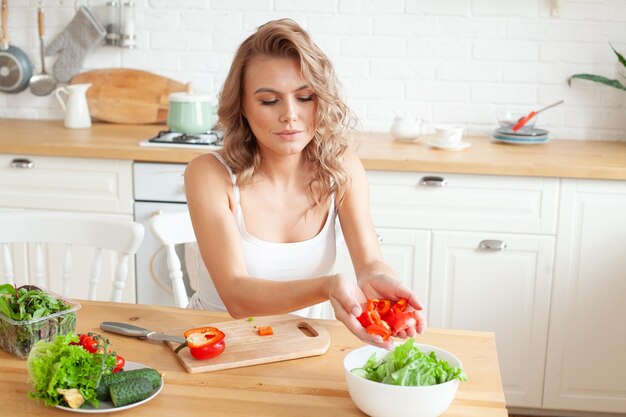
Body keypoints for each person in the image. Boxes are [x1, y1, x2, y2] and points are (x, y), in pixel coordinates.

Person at [184, 18, 426, 349]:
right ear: (241, 106)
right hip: (215, 345)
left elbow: (369, 263)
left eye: (305, 97)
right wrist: (327, 287)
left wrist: (379, 281)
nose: (290, 115)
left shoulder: (341, 169)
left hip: (299, 344)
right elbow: (236, 296)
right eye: (269, 101)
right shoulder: (209, 174)